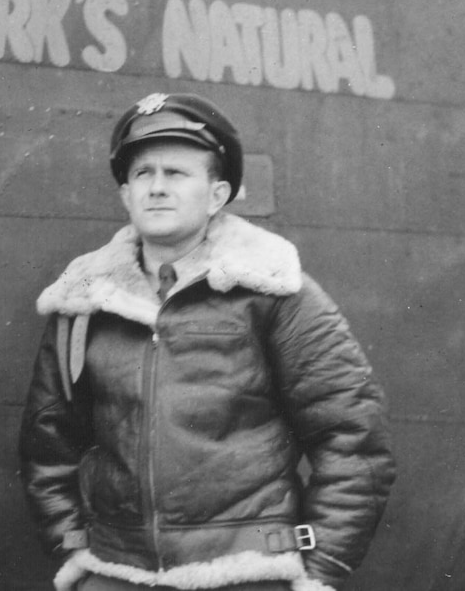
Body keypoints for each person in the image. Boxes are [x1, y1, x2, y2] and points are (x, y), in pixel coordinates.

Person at [19, 92, 395, 591]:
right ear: (125, 195)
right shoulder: (85, 299)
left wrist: (319, 571)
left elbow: (354, 443)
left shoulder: (275, 292)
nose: (156, 188)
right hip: (116, 573)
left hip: (250, 573)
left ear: (217, 195)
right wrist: (79, 554)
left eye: (175, 174)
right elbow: (48, 443)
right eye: (142, 174)